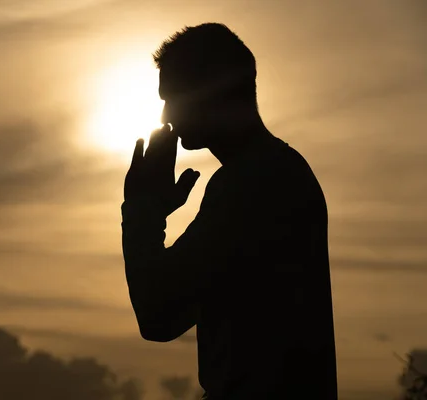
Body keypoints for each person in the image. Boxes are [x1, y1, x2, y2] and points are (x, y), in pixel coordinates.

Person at [121, 23, 338, 399]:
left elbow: (157, 314)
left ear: (212, 90)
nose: (164, 117)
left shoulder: (254, 181)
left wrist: (143, 209)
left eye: (173, 97)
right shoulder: (272, 172)